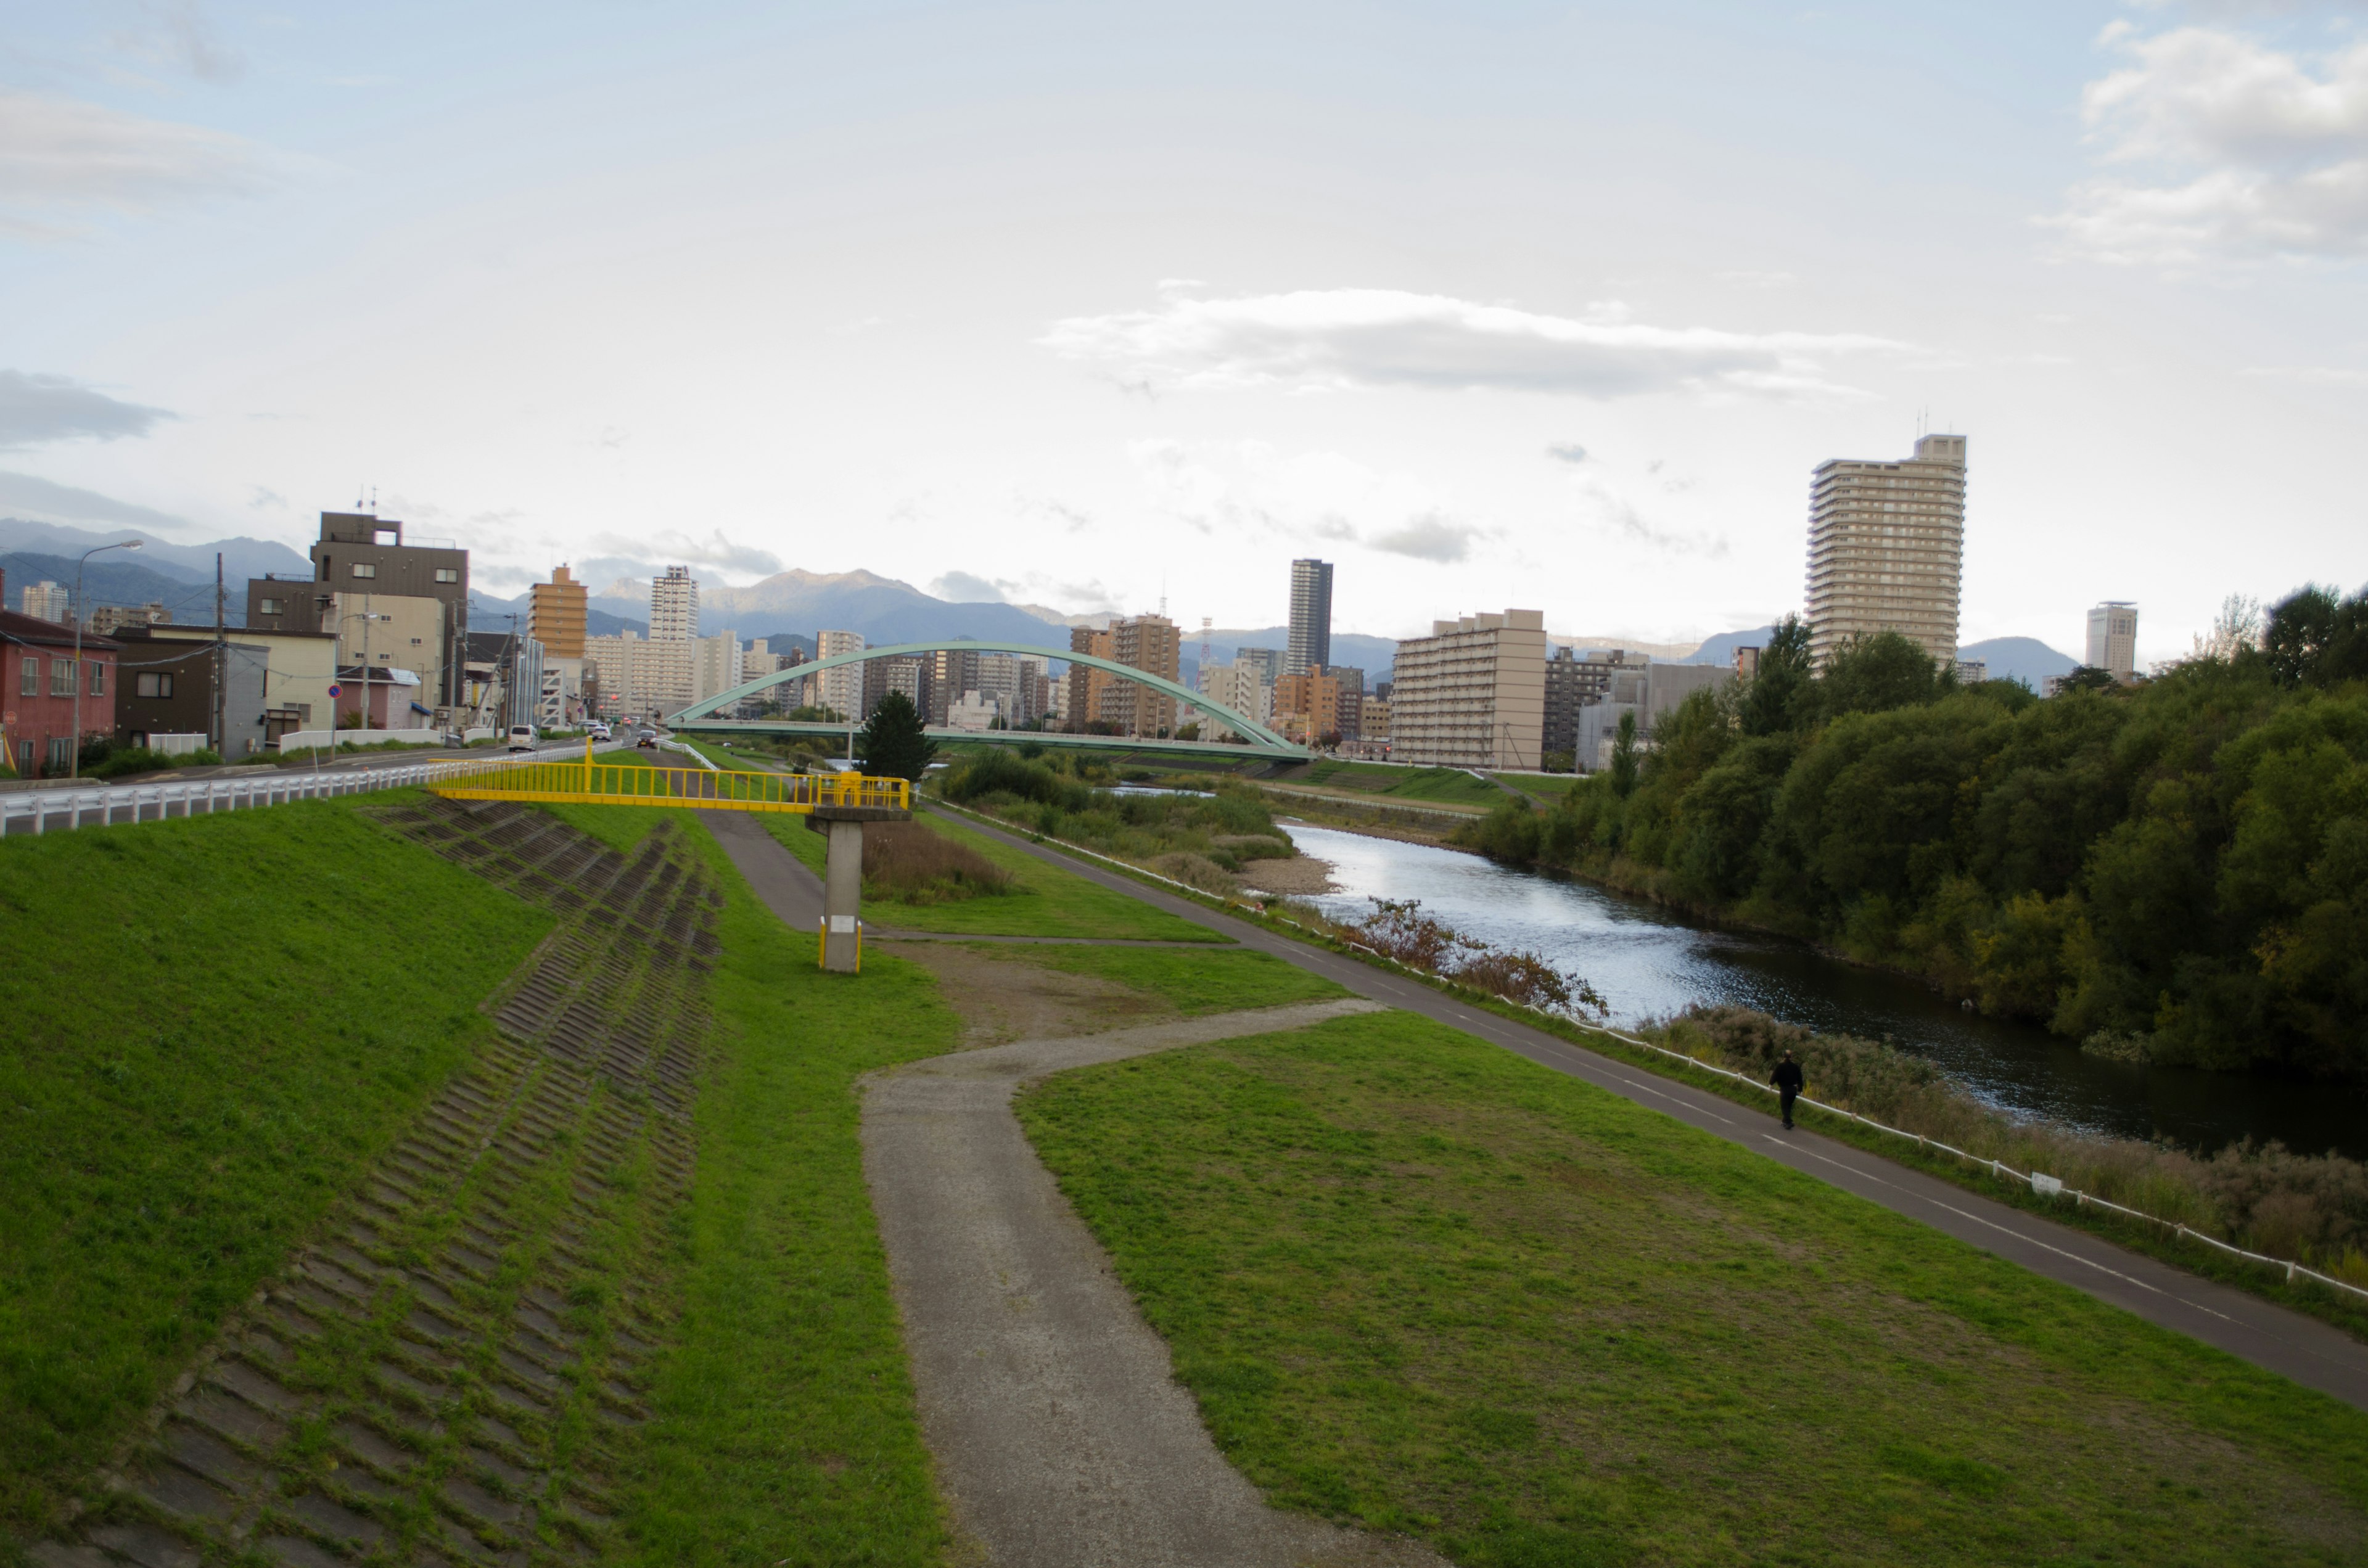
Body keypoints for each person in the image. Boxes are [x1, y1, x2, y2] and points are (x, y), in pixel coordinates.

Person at [1770, 1050, 1804, 1130]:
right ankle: (1784, 1121)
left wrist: (1771, 1084)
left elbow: (1775, 1075)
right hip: (1793, 1090)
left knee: (1784, 1107)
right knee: (1789, 1106)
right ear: (1791, 1057)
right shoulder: (1796, 1067)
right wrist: (1800, 1089)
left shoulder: (1780, 1066)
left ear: (1783, 1056)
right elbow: (1800, 1079)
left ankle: (1789, 1122)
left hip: (1784, 1089)